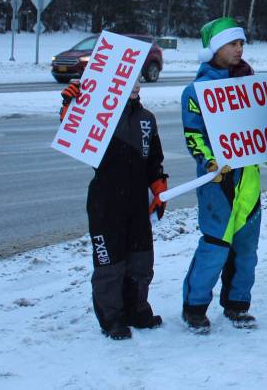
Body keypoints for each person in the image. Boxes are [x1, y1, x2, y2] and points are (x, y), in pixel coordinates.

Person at [60, 79, 168, 340]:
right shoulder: (98, 114)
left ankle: (137, 309)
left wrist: (158, 182)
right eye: (130, 77)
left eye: (140, 78)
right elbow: (73, 132)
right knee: (110, 261)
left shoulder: (147, 118)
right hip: (106, 200)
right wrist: (69, 105)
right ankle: (112, 317)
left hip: (137, 201)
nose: (137, 83)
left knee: (141, 259)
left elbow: (154, 157)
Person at [180, 18, 261, 333]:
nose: (239, 49)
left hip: (249, 183)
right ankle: (195, 307)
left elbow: (264, 130)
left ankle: (238, 304)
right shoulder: (196, 91)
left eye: (241, 43)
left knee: (246, 250)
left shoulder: (252, 86)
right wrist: (209, 162)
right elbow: (194, 134)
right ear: (214, 49)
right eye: (232, 44)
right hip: (218, 183)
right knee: (215, 247)